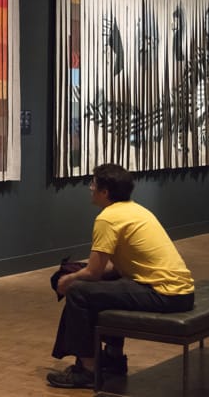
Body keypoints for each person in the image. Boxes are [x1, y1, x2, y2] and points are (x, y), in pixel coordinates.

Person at [47, 163, 195, 389]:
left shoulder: (108, 219)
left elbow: (93, 272)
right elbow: (114, 269)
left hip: (164, 294)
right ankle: (113, 358)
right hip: (180, 292)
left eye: (93, 184)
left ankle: (87, 371)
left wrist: (67, 281)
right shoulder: (136, 210)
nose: (90, 188)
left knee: (78, 292)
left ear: (105, 192)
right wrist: (79, 274)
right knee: (102, 286)